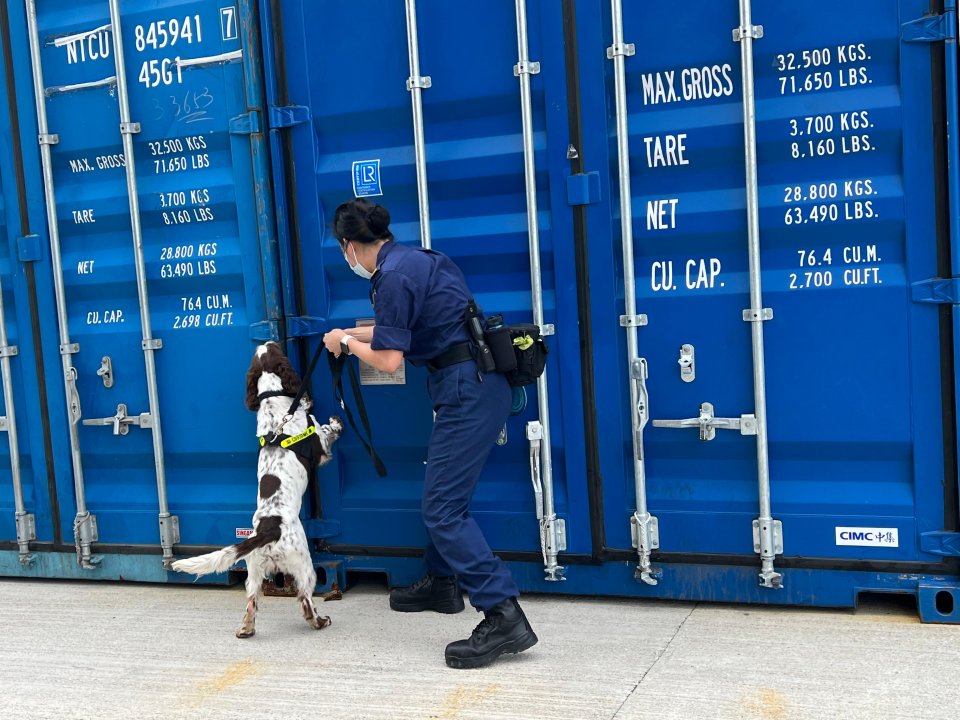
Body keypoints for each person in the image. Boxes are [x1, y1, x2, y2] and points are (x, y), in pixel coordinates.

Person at [322, 198, 537, 669]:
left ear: (349, 247)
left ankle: (504, 615)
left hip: (466, 390)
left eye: (344, 251)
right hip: (472, 384)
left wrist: (348, 344)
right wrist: (351, 334)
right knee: (445, 495)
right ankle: (442, 584)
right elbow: (403, 329)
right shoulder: (416, 260)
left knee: (442, 507)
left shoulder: (391, 278)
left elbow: (389, 359)